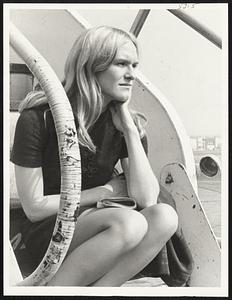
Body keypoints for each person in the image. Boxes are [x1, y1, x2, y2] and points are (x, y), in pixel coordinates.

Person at [11, 26, 178, 286]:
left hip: (102, 224)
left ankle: (101, 290)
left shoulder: (125, 126)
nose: (131, 75)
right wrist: (104, 192)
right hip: (47, 232)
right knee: (129, 223)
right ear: (91, 66)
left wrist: (131, 131)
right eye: (121, 64)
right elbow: (34, 208)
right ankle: (57, 291)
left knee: (164, 217)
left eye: (134, 65)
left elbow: (146, 198)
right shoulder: (38, 119)